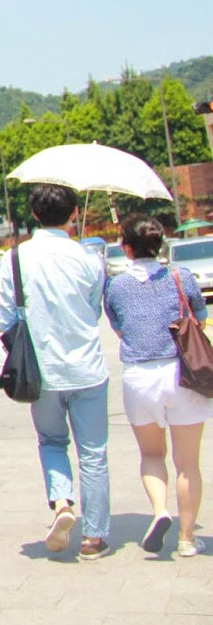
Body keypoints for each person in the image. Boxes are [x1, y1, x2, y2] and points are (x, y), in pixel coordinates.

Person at [0, 184, 110, 560]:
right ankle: (93, 539)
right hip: (87, 369)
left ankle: (62, 502)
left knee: (51, 441)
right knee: (93, 454)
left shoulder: (15, 258)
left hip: (41, 372)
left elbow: (5, 318)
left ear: (35, 214)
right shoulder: (90, 259)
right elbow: (94, 312)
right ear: (74, 213)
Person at [104, 214, 210, 556]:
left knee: (151, 454)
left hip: (140, 378)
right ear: (160, 245)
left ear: (126, 248)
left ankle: (161, 510)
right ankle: (187, 539)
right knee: (187, 463)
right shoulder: (181, 277)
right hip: (182, 375)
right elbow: (200, 319)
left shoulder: (115, 286)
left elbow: (119, 329)